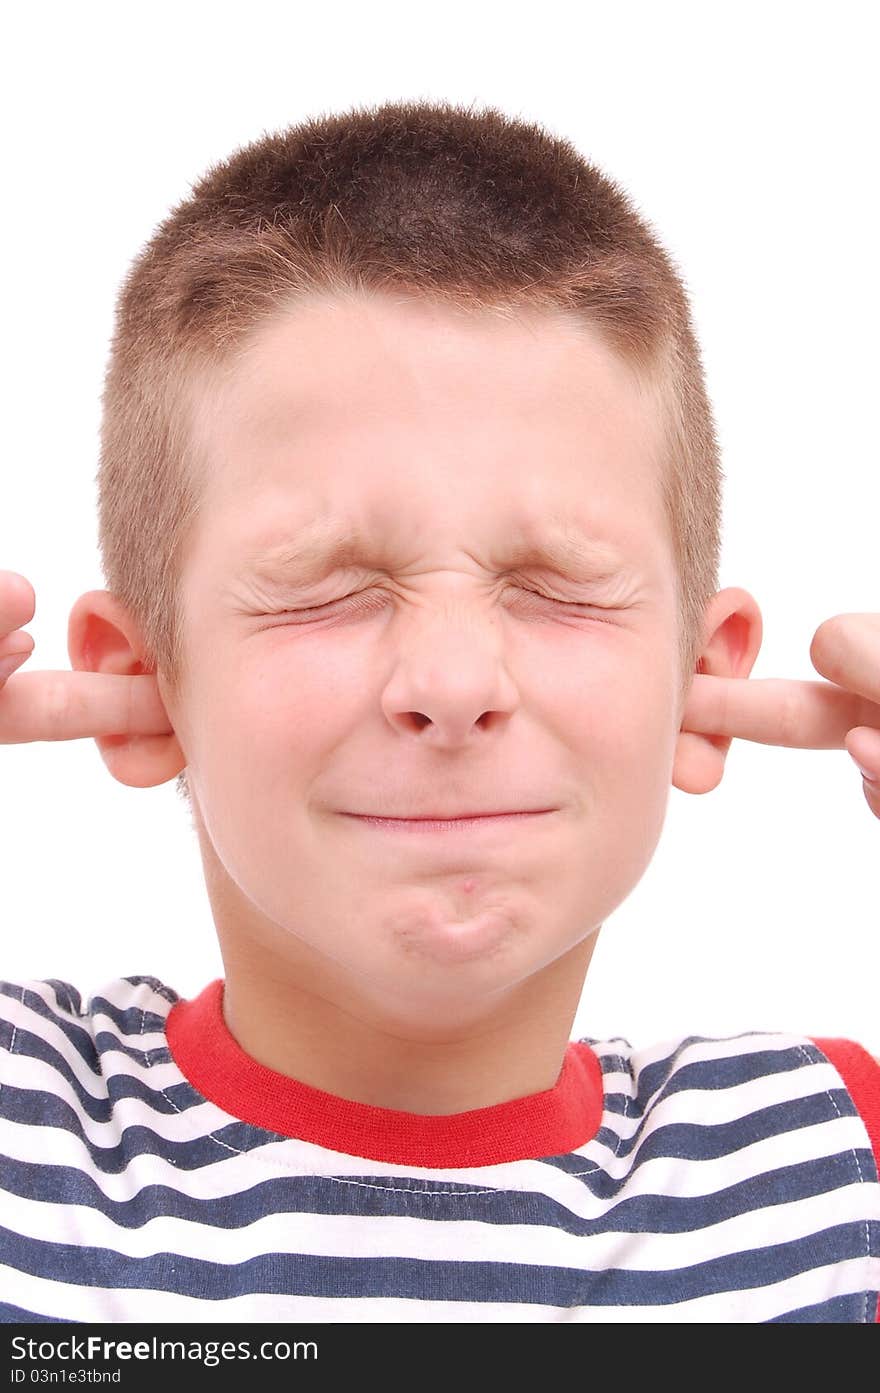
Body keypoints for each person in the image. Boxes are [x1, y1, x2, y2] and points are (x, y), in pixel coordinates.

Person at [1, 98, 878, 1325]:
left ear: (700, 678)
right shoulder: (22, 1123)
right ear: (145, 684)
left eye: (558, 587)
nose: (454, 686)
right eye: (330, 589)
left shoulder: (834, 1170)